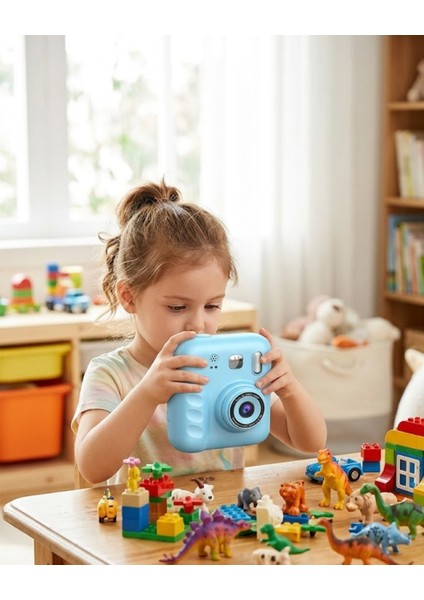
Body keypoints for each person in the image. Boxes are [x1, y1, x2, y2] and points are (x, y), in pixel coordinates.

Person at [71, 179, 327, 484]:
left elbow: (310, 442)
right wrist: (147, 394)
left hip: (222, 510)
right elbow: (92, 467)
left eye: (212, 306)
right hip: (147, 512)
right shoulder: (111, 374)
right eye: (178, 307)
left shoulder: (229, 366)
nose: (198, 324)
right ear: (129, 297)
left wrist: (289, 389)